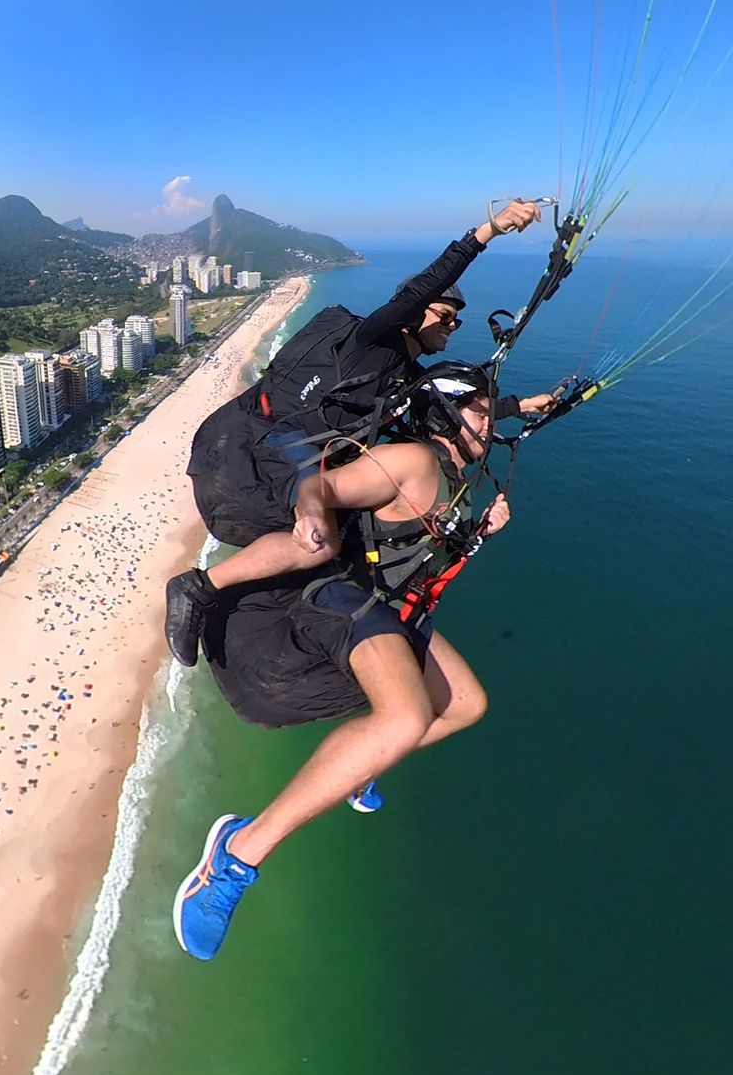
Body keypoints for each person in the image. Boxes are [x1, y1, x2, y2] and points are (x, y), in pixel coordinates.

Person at [172, 366, 510, 960]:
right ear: (449, 416)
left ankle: (365, 766)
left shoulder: (453, 473)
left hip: (388, 607)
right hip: (336, 594)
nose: (493, 421)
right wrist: (309, 511)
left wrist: (481, 523)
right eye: (481, 411)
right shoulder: (413, 460)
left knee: (465, 706)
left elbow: (427, 533)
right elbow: (324, 487)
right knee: (405, 717)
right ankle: (236, 854)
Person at [165, 197, 549, 663]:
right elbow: (425, 286)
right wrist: (489, 230)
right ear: (416, 314)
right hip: (269, 439)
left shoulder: (406, 376)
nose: (452, 327)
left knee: (344, 534)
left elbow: (445, 412)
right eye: (444, 317)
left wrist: (521, 405)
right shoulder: (370, 338)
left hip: (296, 446)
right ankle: (198, 588)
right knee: (317, 543)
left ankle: (254, 606)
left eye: (457, 321)